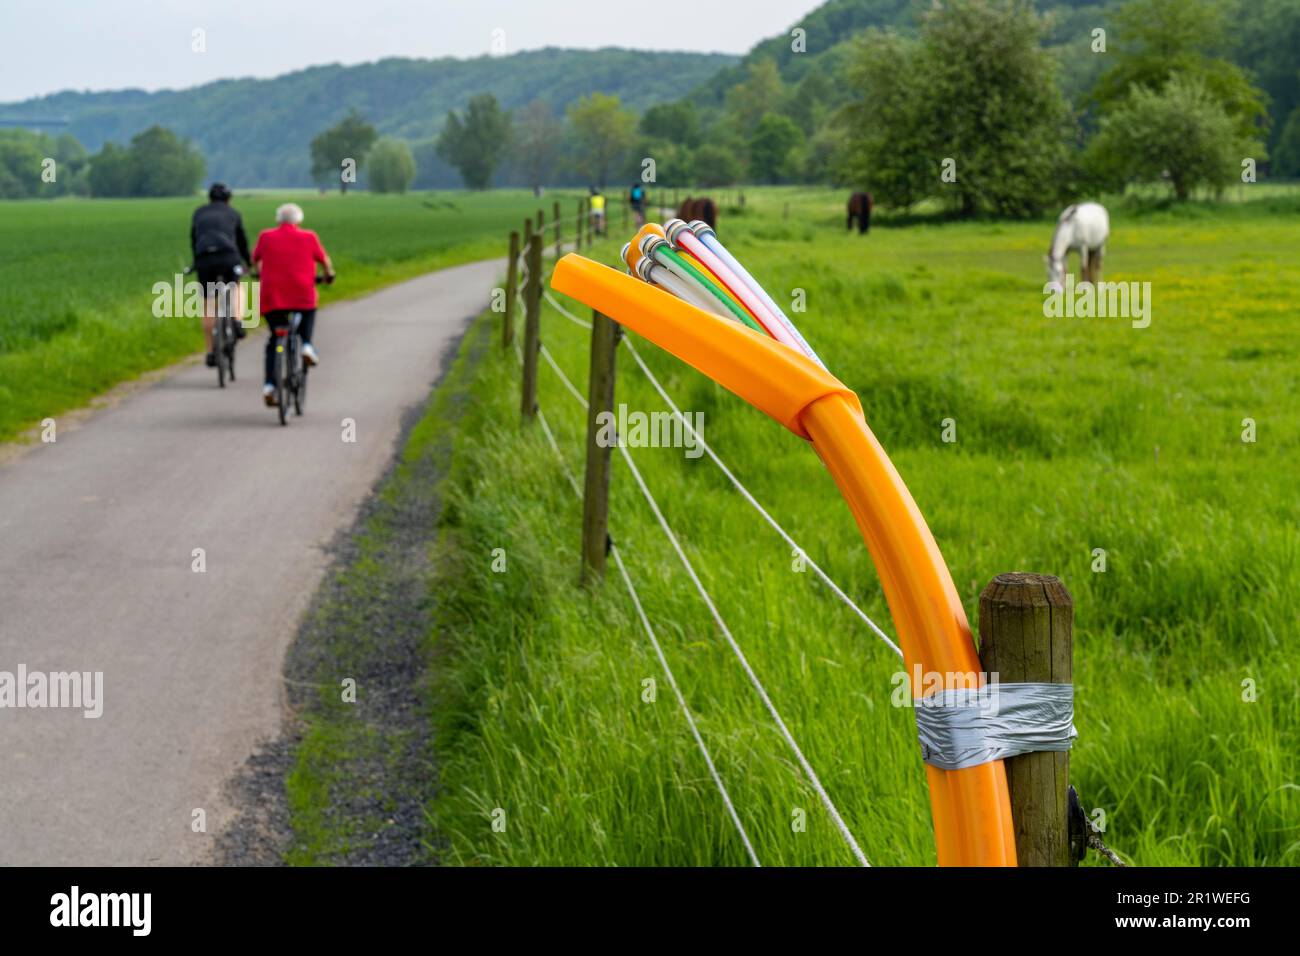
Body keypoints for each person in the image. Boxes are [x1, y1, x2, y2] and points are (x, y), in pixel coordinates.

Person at [250, 203, 335, 406]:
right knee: (308, 310)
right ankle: (306, 345)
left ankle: (270, 385)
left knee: (274, 339)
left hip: (273, 296)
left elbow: (255, 260)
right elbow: (324, 261)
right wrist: (328, 275)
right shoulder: (309, 237)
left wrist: (259, 273)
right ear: (299, 221)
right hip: (301, 293)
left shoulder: (266, 236)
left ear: (278, 220)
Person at [190, 182, 252, 366]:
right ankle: (237, 320)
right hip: (228, 258)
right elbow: (242, 241)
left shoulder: (199, 213)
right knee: (236, 286)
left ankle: (210, 352)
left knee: (209, 303)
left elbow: (194, 239)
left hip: (205, 259)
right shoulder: (233, 213)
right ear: (229, 199)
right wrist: (248, 263)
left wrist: (197, 260)